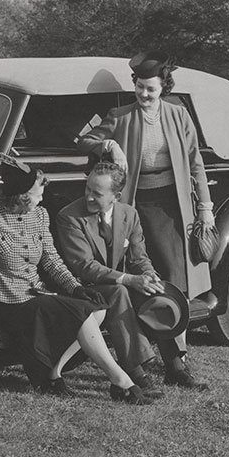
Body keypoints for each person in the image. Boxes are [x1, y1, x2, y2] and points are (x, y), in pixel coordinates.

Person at [0, 155, 157, 405]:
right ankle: (121, 381)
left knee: (96, 311)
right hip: (9, 301)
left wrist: (74, 287)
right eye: (39, 191)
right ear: (23, 195)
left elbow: (51, 261)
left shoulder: (40, 216)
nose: (43, 196)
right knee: (81, 315)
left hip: (37, 294)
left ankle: (52, 375)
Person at [78, 51, 218, 389]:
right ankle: (143, 361)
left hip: (173, 208)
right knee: (140, 278)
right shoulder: (120, 116)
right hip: (133, 207)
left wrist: (206, 208)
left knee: (173, 281)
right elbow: (84, 139)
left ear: (163, 88)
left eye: (151, 89)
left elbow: (196, 163)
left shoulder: (179, 116)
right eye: (140, 88)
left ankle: (177, 364)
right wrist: (109, 142)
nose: (144, 95)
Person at [55, 161, 164, 390]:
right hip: (82, 287)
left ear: (116, 195)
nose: (89, 197)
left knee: (162, 289)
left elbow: (138, 257)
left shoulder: (129, 214)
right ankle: (135, 370)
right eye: (87, 189)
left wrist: (148, 275)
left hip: (116, 284)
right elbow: (83, 266)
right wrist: (130, 279)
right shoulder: (69, 217)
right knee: (120, 291)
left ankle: (176, 367)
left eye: (97, 193)